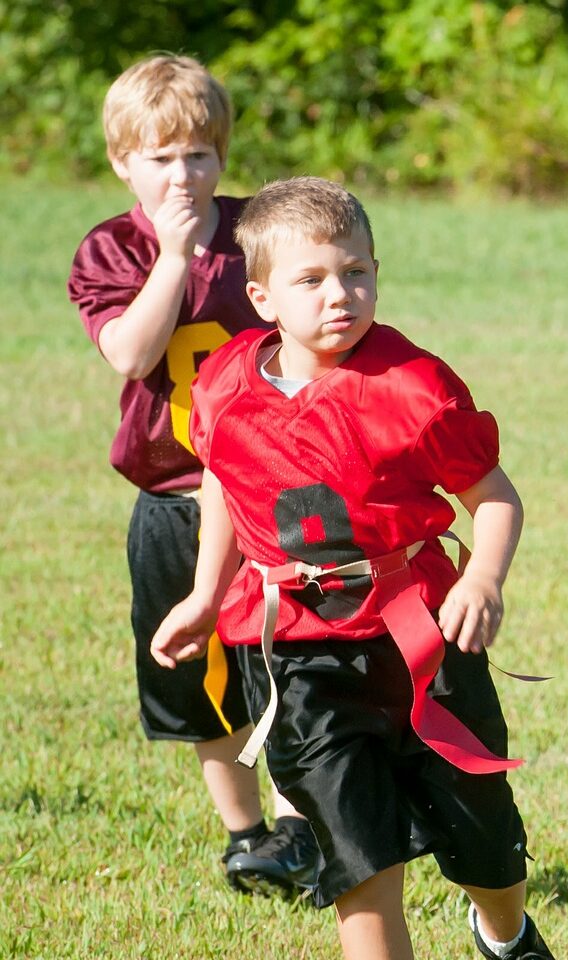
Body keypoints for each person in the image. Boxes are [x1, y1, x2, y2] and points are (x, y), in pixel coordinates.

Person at [149, 177, 552, 959]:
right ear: (262, 298)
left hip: (421, 642)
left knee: (485, 842)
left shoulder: (414, 386)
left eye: (357, 271)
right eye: (312, 279)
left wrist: (483, 578)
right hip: (300, 653)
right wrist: (205, 594)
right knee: (357, 864)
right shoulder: (226, 381)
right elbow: (226, 482)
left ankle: (505, 935)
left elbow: (496, 499)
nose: (341, 294)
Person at [67, 53, 314, 897]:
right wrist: (173, 258)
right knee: (199, 675)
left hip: (272, 496)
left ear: (223, 155)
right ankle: (247, 835)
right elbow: (132, 355)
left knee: (288, 665)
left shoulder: (261, 235)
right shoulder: (111, 248)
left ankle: (303, 826)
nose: (183, 175)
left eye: (199, 155)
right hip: (173, 497)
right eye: (161, 158)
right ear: (122, 161)